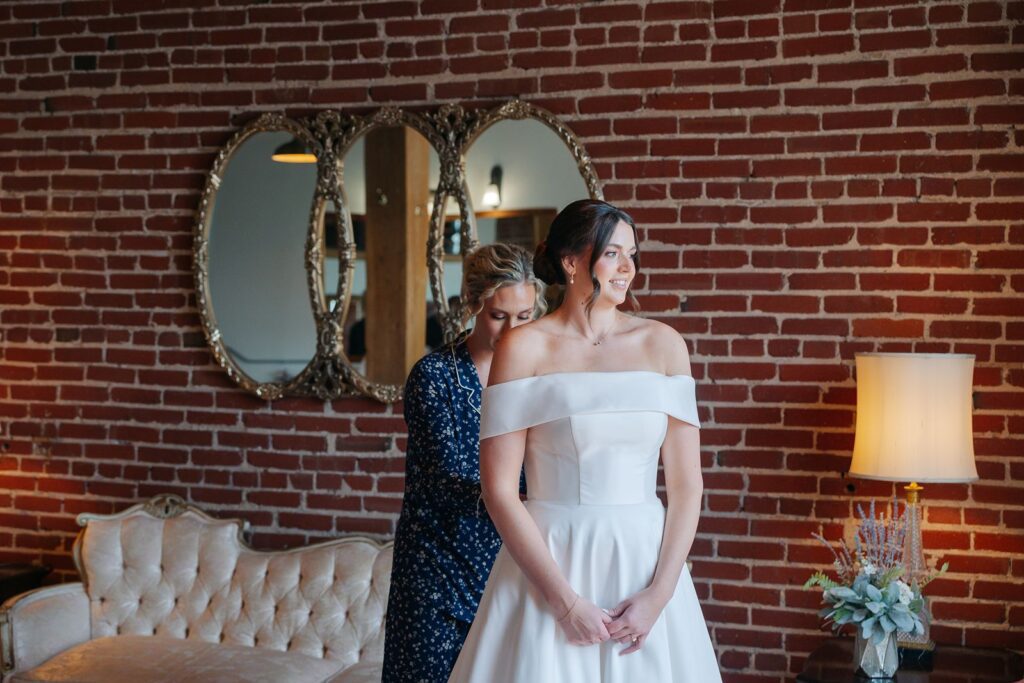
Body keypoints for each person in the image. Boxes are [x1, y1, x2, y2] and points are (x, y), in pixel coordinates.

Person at [448, 200, 721, 682]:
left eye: (632, 255)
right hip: (551, 559)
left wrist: (659, 595)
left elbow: (686, 488)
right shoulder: (524, 346)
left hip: (643, 559)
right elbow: (500, 491)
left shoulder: (664, 345)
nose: (627, 268)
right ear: (572, 261)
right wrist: (565, 603)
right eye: (612, 254)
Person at [382, 243, 546, 683]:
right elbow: (449, 475)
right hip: (435, 572)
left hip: (508, 567)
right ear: (473, 305)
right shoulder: (433, 376)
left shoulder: (538, 382)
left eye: (525, 316)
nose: (513, 329)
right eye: (499, 316)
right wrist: (539, 495)